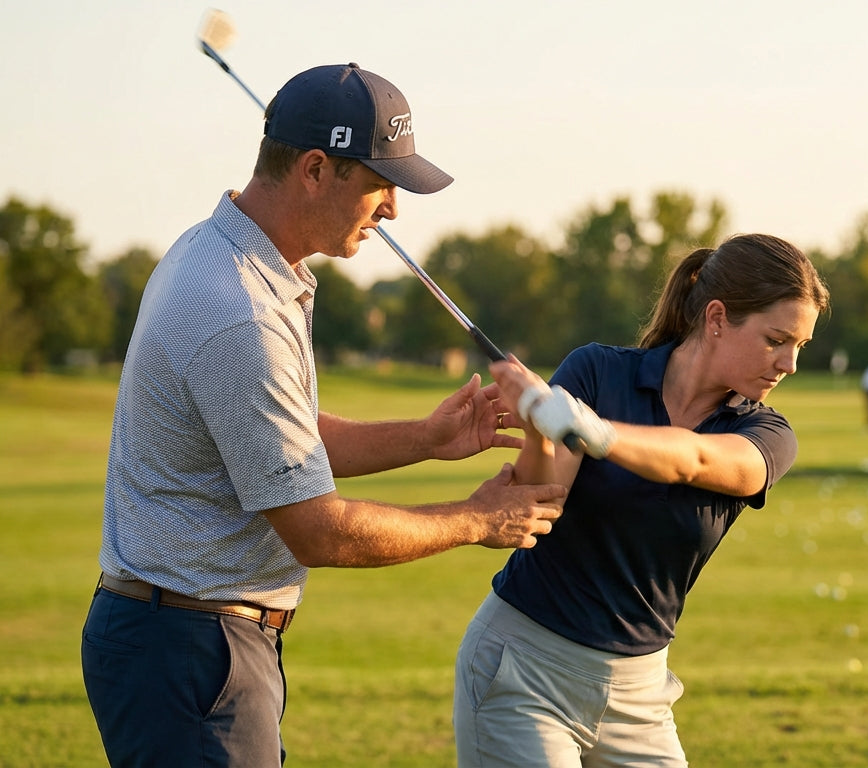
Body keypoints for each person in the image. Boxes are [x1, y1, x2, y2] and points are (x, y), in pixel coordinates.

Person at [81, 63, 567, 768]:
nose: (394, 210)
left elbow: (285, 440)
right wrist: (479, 519)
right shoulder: (239, 312)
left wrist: (427, 438)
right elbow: (318, 530)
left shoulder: (220, 254)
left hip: (183, 634)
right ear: (315, 169)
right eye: (380, 184)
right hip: (188, 646)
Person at [452, 234, 830, 767]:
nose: (789, 363)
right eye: (776, 339)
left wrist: (595, 431)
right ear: (717, 317)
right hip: (524, 669)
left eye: (800, 346)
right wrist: (540, 427)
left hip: (640, 696)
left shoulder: (766, 433)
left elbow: (692, 459)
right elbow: (539, 509)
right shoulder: (599, 372)